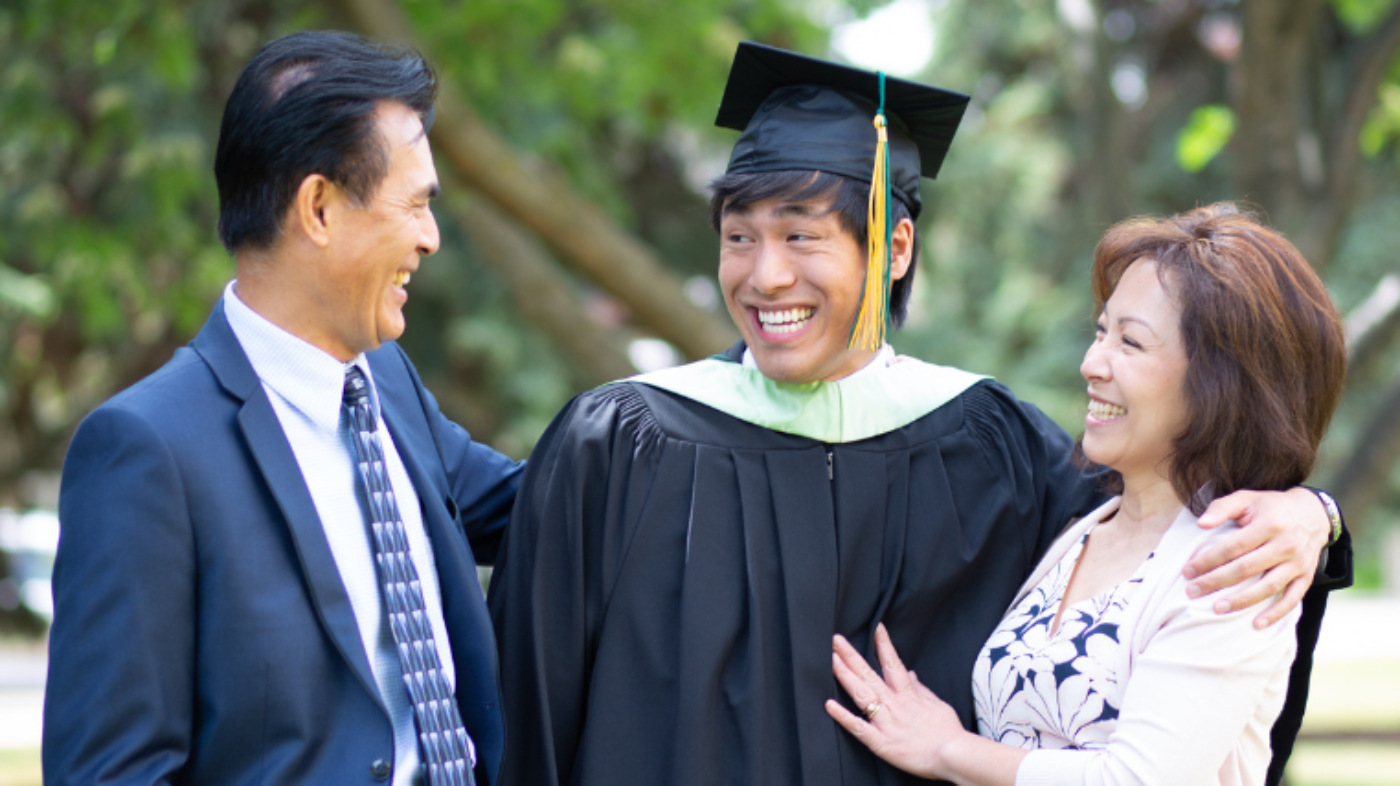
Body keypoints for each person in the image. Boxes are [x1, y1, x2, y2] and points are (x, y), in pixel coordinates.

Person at [486, 43, 1349, 786]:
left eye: (802, 236)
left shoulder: (992, 447)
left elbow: (1167, 549)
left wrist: (1313, 516)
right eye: (739, 236)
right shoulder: (620, 445)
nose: (764, 276)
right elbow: (528, 708)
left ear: (893, 247)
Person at [43, 31, 522, 786]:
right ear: (321, 208)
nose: (430, 238)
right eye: (416, 204)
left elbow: (547, 503)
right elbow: (110, 772)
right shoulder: (145, 451)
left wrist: (749, 378)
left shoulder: (388, 384)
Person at [825, 203, 1348, 785]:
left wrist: (948, 749)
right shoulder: (1082, 529)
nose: (1091, 363)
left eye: (1131, 342)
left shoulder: (1237, 563)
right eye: (1101, 331)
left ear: (1222, 383)